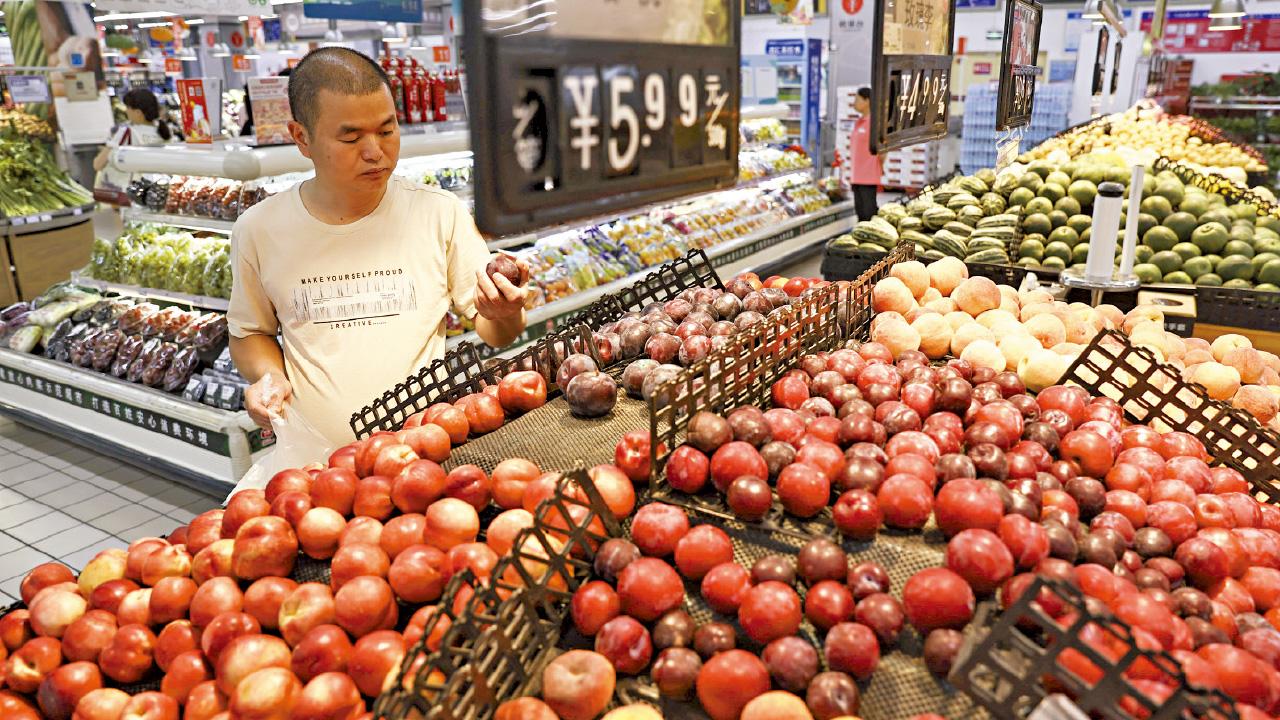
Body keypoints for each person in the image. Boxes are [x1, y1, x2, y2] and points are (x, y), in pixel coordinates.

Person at [228, 47, 528, 447]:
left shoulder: (438, 212)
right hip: (317, 462)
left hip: (430, 452)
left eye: (387, 130)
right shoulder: (259, 229)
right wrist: (269, 377)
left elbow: (497, 332)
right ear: (301, 137)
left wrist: (505, 312)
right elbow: (249, 333)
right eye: (350, 137)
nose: (375, 152)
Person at [92, 87, 173, 204]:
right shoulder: (163, 131)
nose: (126, 111)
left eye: (128, 108)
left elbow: (98, 164)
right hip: (156, 193)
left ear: (138, 112)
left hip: (128, 194)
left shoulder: (127, 132)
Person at [848, 87, 881, 221]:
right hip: (856, 176)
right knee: (860, 213)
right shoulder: (858, 123)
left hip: (868, 177)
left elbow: (882, 150)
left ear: (867, 101)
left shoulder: (874, 123)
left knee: (869, 214)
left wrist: (877, 167)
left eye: (857, 99)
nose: (854, 103)